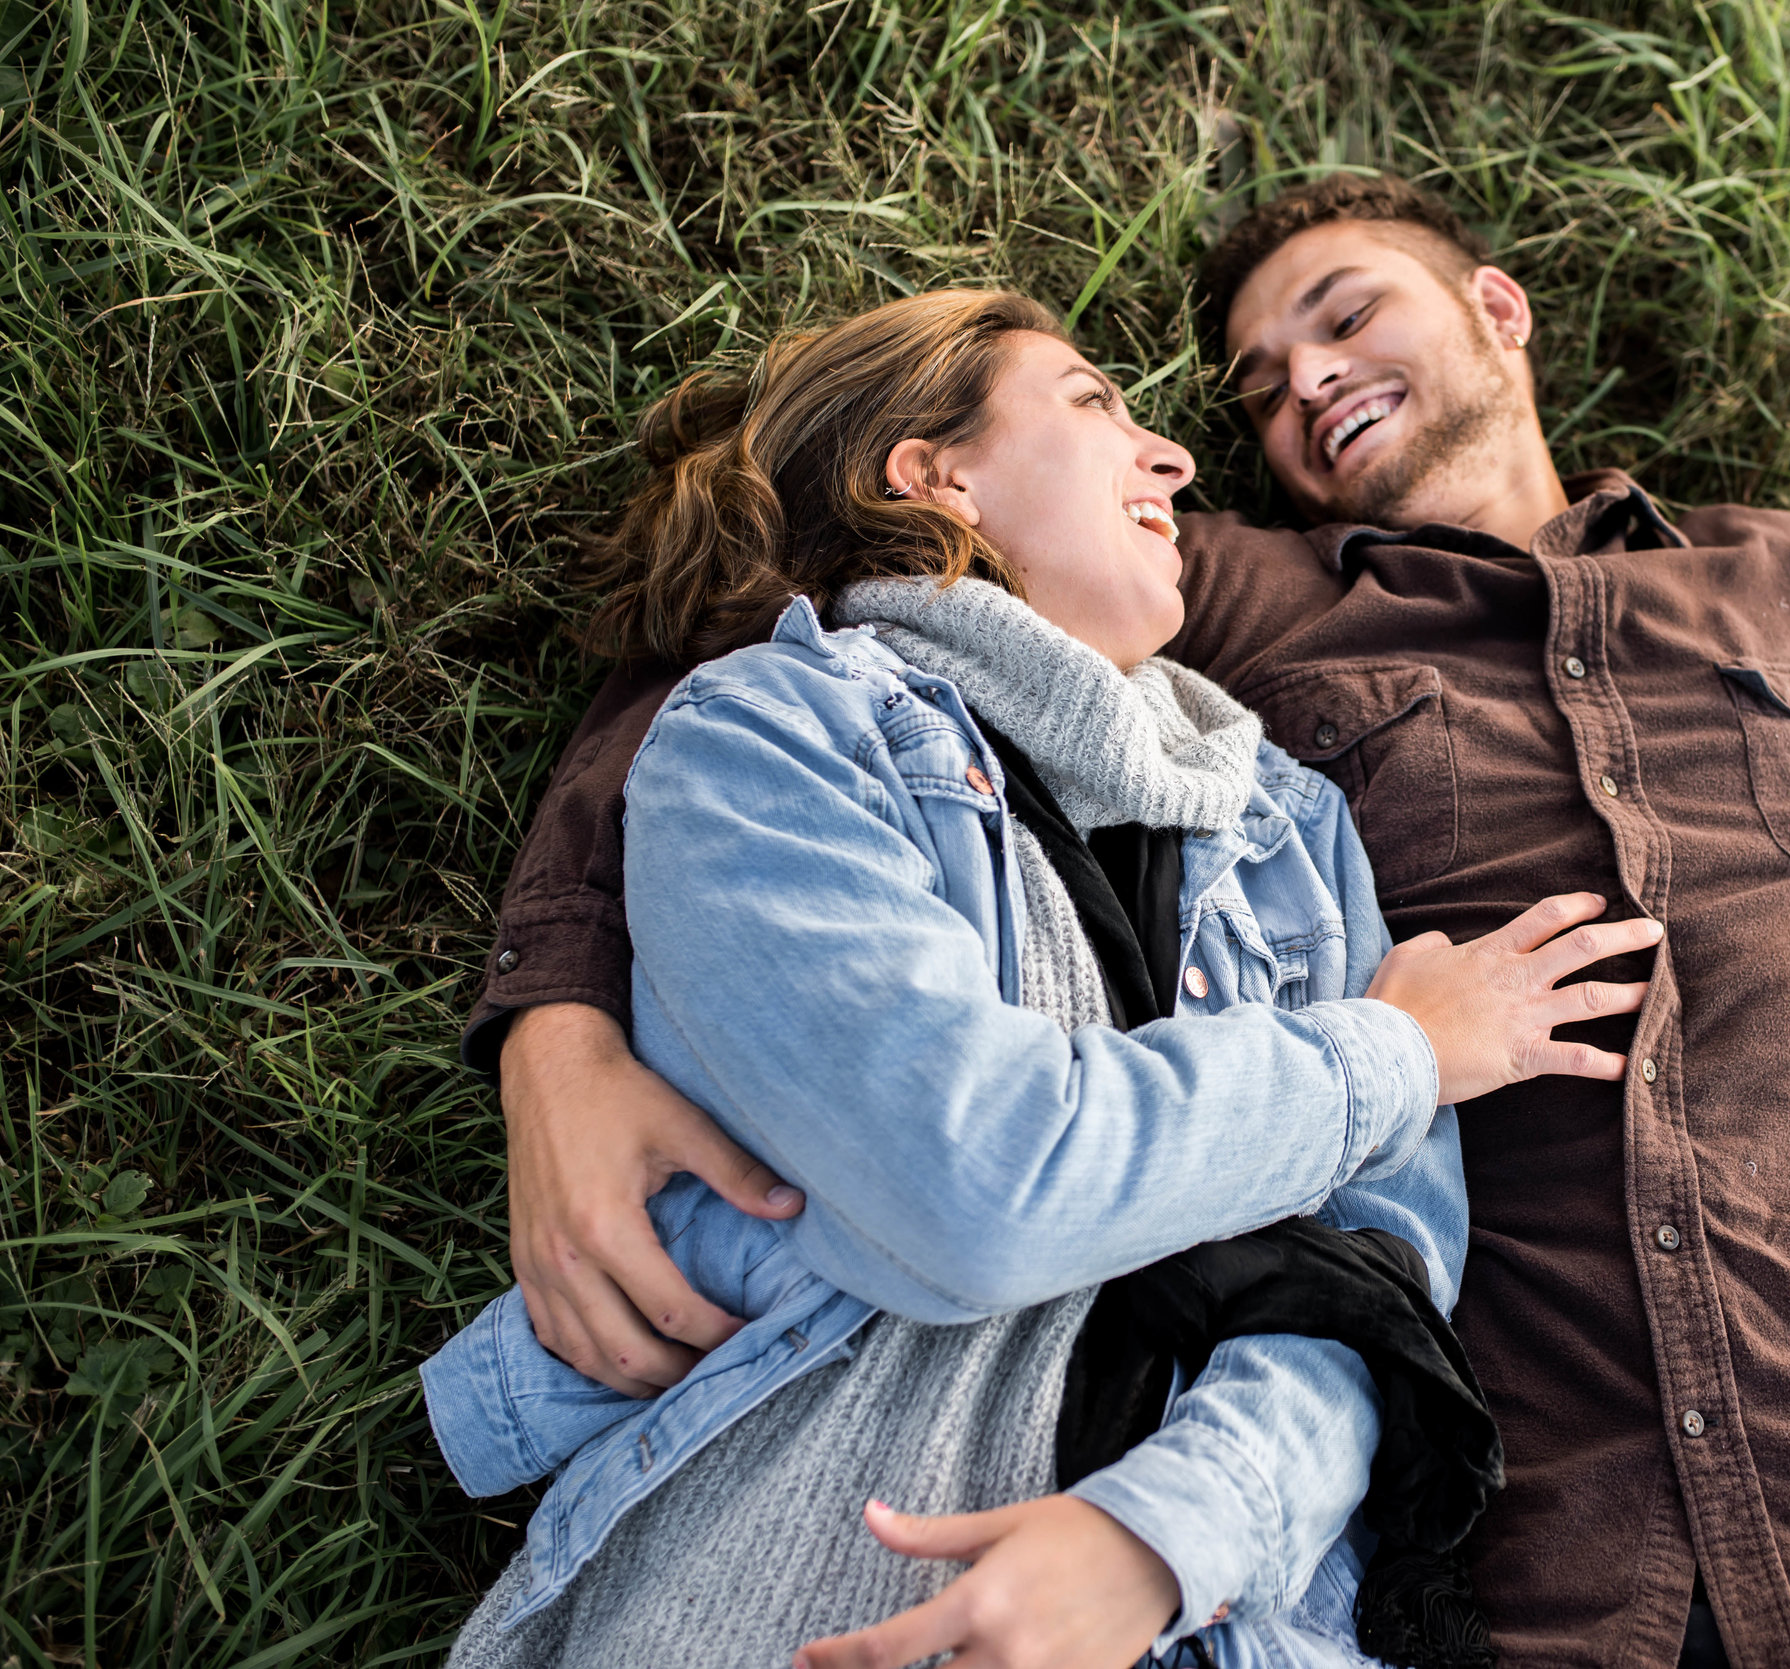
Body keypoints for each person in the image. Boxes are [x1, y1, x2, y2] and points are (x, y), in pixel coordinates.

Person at [467, 178, 1790, 1668]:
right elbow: (778, 639)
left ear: (1496, 309)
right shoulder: (1248, 619)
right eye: (1259, 385)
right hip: (1535, 1586)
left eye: (1344, 320)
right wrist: (554, 1032)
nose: (1300, 391)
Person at [420, 287, 1663, 1668]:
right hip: (807, 1586)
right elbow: (976, 1180)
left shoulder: (1288, 830)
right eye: (1093, 403)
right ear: (934, 475)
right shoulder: (775, 735)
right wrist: (1395, 1054)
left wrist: (1169, 1532)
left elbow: (1380, 1289)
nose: (1175, 456)